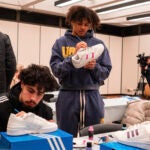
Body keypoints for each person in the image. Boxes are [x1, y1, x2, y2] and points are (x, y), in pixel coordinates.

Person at [50, 5, 112, 137]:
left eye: (87, 24)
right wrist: (73, 59)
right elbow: (56, 70)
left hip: (93, 95)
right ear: (71, 21)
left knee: (94, 136)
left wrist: (94, 67)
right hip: (68, 95)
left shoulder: (98, 45)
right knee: (66, 137)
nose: (83, 27)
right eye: (79, 24)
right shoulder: (61, 43)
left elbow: (105, 72)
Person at [0, 64, 59, 132]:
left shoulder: (46, 111)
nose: (33, 98)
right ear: (22, 84)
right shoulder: (2, 106)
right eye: (30, 91)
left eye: (39, 94)